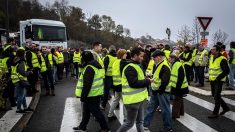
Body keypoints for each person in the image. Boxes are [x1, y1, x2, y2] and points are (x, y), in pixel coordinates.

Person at [74, 51, 109, 132]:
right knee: (86, 111)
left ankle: (105, 128)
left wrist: (83, 96)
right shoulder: (94, 64)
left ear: (85, 58)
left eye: (82, 58)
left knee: (97, 112)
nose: (81, 59)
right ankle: (82, 126)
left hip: (91, 94)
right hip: (95, 92)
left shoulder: (89, 67)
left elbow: (87, 84)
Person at [117, 47, 151, 132]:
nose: (142, 58)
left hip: (138, 99)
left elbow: (137, 79)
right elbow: (134, 83)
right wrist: (147, 81)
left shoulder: (135, 65)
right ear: (135, 55)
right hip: (133, 100)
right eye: (141, 56)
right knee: (130, 123)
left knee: (139, 122)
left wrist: (145, 78)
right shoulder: (130, 67)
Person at [143, 50, 172, 132]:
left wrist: (159, 90)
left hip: (162, 92)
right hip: (156, 91)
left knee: (165, 110)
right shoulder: (157, 64)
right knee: (150, 108)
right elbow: (157, 77)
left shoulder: (165, 66)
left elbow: (165, 81)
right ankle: (145, 125)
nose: (153, 59)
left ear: (159, 57)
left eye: (154, 57)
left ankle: (168, 127)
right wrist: (150, 78)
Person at [208, 45, 230, 118]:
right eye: (211, 49)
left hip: (218, 81)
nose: (211, 51)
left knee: (217, 96)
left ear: (217, 51)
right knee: (215, 95)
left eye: (213, 50)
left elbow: (226, 71)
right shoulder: (211, 57)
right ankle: (225, 108)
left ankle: (215, 113)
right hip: (212, 80)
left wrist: (218, 78)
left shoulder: (222, 59)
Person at [11, 48, 34, 113]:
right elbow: (23, 73)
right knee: (21, 95)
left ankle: (25, 107)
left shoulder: (16, 60)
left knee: (23, 95)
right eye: (25, 53)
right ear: (22, 54)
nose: (25, 54)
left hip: (16, 79)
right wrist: (29, 72)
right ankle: (18, 109)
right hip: (20, 80)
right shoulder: (21, 61)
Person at [108, 49, 127, 121]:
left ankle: (110, 115)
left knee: (116, 100)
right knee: (125, 101)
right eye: (125, 54)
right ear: (122, 55)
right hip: (121, 84)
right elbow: (124, 73)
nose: (126, 55)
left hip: (115, 84)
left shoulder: (115, 62)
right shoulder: (123, 62)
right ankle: (125, 118)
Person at [169, 53, 189, 119]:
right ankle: (181, 112)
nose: (169, 59)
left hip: (179, 86)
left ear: (174, 58)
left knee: (176, 100)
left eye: (170, 58)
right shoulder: (176, 64)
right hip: (181, 86)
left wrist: (177, 87)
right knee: (180, 99)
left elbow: (181, 77)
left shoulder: (177, 64)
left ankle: (175, 115)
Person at [101, 45, 117, 109]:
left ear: (109, 50)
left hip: (108, 77)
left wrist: (103, 76)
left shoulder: (108, 57)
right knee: (115, 92)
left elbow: (104, 67)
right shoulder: (117, 57)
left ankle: (103, 105)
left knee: (106, 92)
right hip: (115, 76)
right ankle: (117, 105)